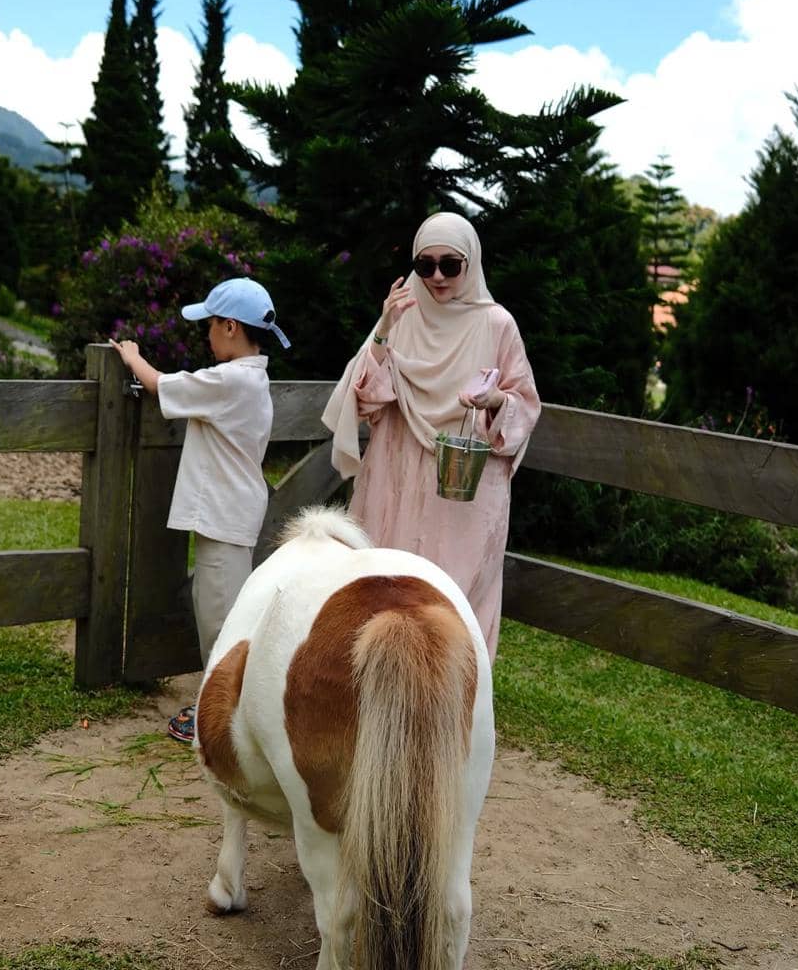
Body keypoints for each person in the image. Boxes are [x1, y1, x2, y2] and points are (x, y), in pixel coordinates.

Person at [322, 212, 540, 662]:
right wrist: (383, 329)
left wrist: (496, 400)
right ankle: (373, 685)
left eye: (450, 265)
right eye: (426, 265)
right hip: (397, 474)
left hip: (463, 490)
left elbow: (525, 406)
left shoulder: (497, 324)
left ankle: (454, 692)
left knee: (453, 600)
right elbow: (363, 399)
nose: (437, 276)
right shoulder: (402, 315)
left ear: (471, 263)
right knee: (383, 587)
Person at [110, 277, 290, 742]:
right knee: (220, 611)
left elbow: (159, 384)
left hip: (226, 517)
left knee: (222, 621)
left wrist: (131, 356)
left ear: (231, 327)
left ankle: (224, 719)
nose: (207, 333)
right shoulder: (248, 379)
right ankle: (225, 709)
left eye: (210, 324)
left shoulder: (232, 380)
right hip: (228, 514)